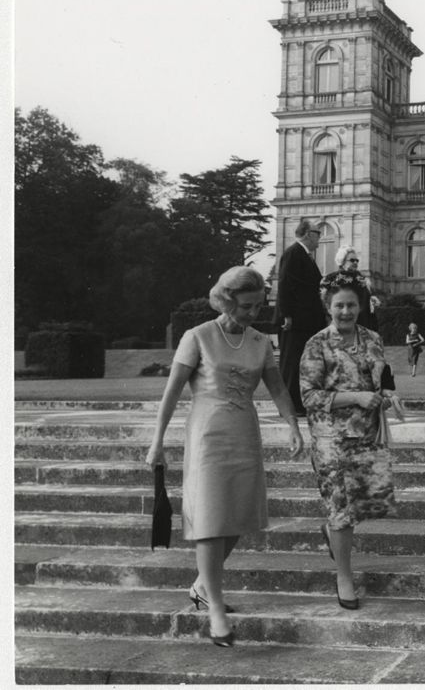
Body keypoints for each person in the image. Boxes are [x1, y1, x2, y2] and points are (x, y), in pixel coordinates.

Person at [145, 267, 305, 647]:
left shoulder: (260, 340)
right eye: (247, 306)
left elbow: (279, 389)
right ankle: (215, 609)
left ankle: (202, 585)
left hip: (245, 432)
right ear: (227, 301)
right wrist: (157, 441)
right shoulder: (197, 336)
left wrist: (294, 426)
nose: (255, 312)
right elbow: (171, 392)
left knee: (239, 515)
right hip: (207, 434)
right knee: (212, 517)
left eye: (259, 305)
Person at [300, 272, 403, 611]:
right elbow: (309, 396)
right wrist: (356, 397)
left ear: (361, 306)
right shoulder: (317, 344)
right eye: (339, 305)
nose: (345, 311)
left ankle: (332, 533)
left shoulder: (373, 338)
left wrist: (387, 393)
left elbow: (381, 376)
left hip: (366, 435)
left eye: (351, 305)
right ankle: (344, 576)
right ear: (328, 307)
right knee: (342, 509)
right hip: (332, 438)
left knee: (359, 506)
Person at [274, 219, 327, 418]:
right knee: (291, 362)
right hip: (295, 321)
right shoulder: (293, 253)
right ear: (306, 234)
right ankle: (290, 406)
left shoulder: (304, 255)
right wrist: (286, 315)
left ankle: (299, 403)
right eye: (317, 232)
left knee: (302, 362)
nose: (320, 237)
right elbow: (285, 284)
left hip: (305, 320)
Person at [322, 246, 380, 331]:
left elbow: (366, 299)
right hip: (341, 324)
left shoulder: (361, 278)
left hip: (363, 324)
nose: (355, 262)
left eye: (357, 260)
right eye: (352, 260)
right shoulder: (330, 279)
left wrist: (372, 299)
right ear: (342, 261)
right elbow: (324, 304)